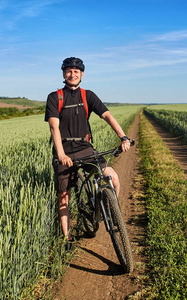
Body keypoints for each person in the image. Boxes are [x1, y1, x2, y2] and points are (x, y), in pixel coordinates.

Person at [45, 57, 131, 244]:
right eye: (69, 71)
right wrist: (60, 154)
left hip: (85, 149)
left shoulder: (87, 95)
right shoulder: (55, 97)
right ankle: (66, 239)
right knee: (64, 197)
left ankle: (111, 211)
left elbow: (107, 115)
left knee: (113, 177)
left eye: (76, 71)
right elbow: (54, 127)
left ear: (82, 74)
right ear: (63, 74)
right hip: (65, 152)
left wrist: (123, 136)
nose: (72, 74)